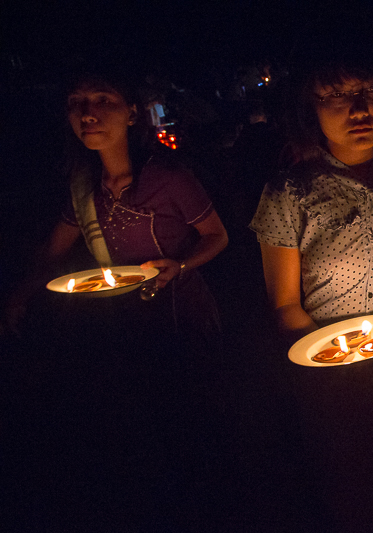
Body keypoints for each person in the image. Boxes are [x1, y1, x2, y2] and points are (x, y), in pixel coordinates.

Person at [2, 67, 229, 528]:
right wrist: (17, 298)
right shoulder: (85, 190)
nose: (87, 113)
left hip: (182, 315)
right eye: (76, 103)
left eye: (102, 99)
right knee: (143, 428)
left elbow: (217, 236)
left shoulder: (169, 177)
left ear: (131, 114)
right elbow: (54, 250)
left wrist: (179, 266)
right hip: (125, 325)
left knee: (195, 422)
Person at [250, 24, 373, 532]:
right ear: (310, 106)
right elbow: (286, 306)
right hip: (335, 381)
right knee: (354, 485)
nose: (359, 110)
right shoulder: (291, 192)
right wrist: (342, 365)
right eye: (337, 95)